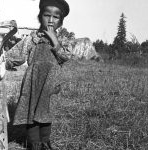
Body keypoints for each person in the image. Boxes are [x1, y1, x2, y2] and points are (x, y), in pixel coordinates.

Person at [5, 0, 100, 149]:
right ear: (39, 17)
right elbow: (17, 56)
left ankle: (45, 142)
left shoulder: (61, 40)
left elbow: (65, 57)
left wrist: (54, 40)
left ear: (61, 22)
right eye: (46, 15)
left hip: (51, 82)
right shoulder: (32, 38)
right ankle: (34, 144)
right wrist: (5, 62)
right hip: (32, 81)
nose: (50, 20)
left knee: (45, 113)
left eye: (55, 17)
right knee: (31, 111)